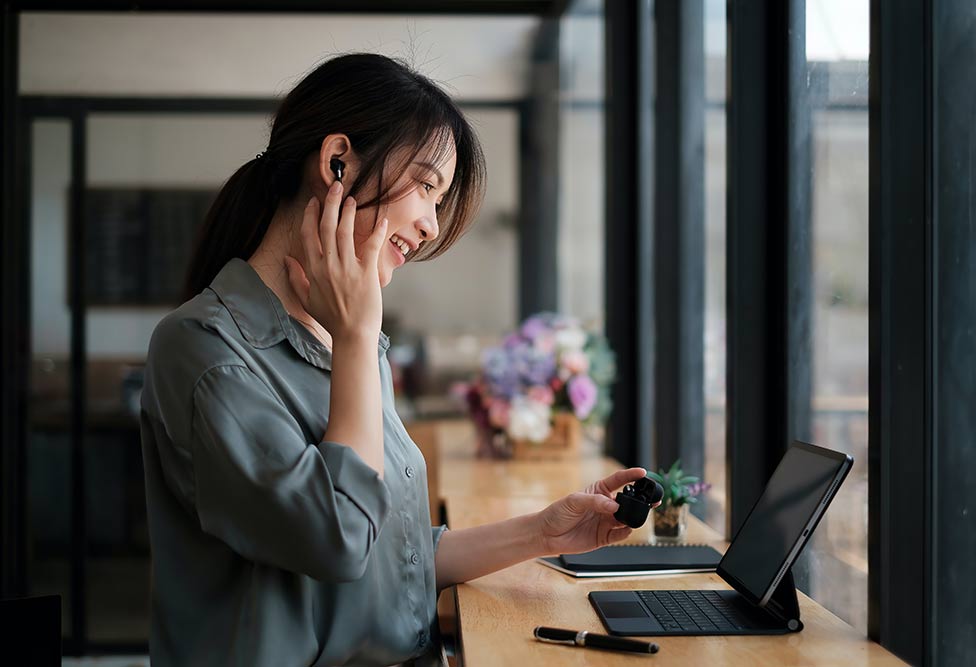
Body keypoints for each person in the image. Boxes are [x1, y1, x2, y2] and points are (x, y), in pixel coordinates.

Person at [139, 53, 650, 667]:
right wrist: (358, 338)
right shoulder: (204, 350)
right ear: (337, 162)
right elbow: (337, 539)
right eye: (429, 189)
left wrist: (544, 532)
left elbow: (391, 559)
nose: (432, 227)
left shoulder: (350, 343)